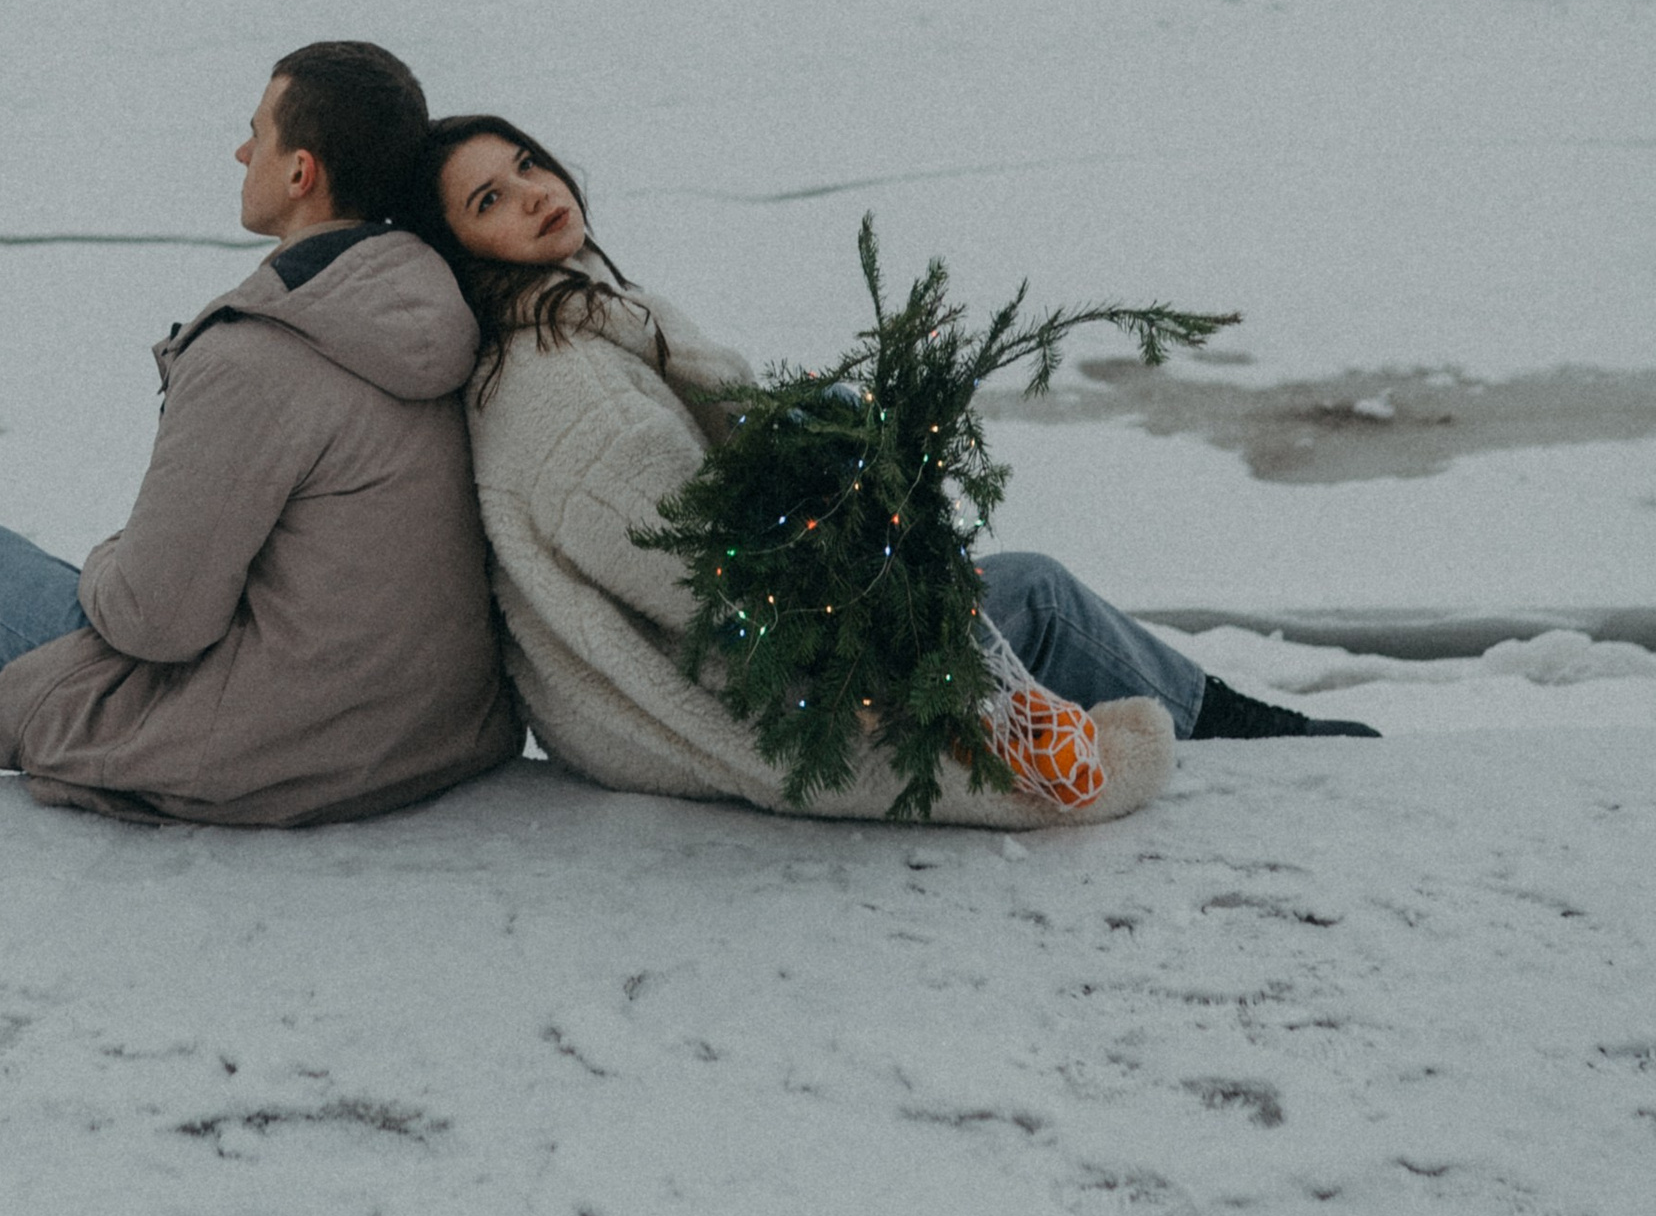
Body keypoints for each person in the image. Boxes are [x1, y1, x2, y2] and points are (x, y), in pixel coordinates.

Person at [398, 114, 1376, 830]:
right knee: (1038, 599)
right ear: (461, 251)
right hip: (716, 692)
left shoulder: (580, 316)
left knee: (1011, 587)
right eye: (490, 200)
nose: (533, 191)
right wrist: (877, 575)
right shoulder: (566, 383)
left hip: (693, 669)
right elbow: (695, 575)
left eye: (526, 163)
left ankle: (1244, 726)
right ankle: (1262, 742)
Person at [0, 45, 516, 825]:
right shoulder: (436, 308)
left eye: (258, 133)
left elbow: (158, 618)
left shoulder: (255, 356)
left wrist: (114, 554)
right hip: (425, 729)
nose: (241, 151)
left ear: (299, 172)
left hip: (287, 743)